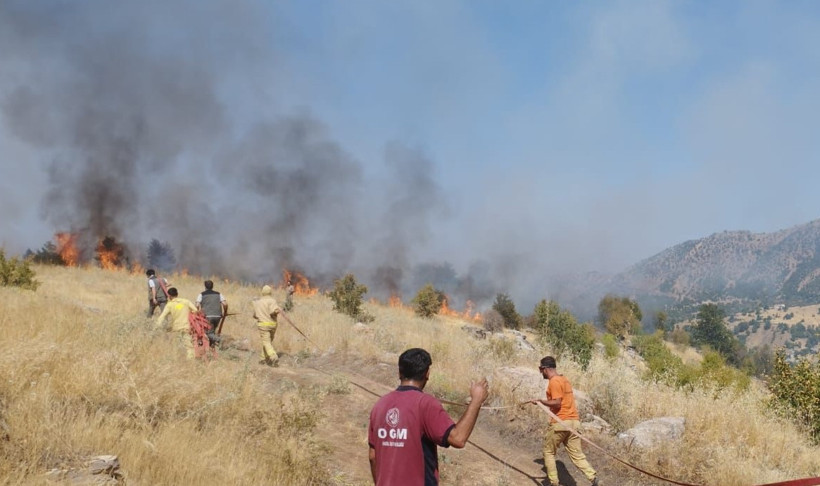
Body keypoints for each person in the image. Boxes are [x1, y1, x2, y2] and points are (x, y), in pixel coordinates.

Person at [368, 348, 489, 486]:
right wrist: (476, 401)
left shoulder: (380, 405)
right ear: (427, 373)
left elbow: (373, 456)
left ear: (399, 373)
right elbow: (458, 439)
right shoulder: (425, 404)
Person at [529, 356, 599, 486]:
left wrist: (541, 401)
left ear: (546, 368)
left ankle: (554, 482)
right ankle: (593, 477)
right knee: (577, 455)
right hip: (574, 422)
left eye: (540, 369)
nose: (540, 372)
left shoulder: (554, 381)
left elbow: (557, 403)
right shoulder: (564, 380)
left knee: (548, 452)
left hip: (560, 422)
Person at [155, 287, 198, 359]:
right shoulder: (186, 302)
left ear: (169, 296)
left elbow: (162, 317)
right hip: (186, 327)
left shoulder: (169, 305)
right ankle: (190, 361)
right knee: (189, 346)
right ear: (177, 294)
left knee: (176, 346)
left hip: (175, 329)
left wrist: (156, 326)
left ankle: (178, 360)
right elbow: (196, 310)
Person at [251, 284, 282, 366]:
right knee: (268, 342)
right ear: (270, 292)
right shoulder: (272, 301)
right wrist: (278, 310)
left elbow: (255, 315)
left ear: (262, 292)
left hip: (263, 325)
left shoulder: (258, 302)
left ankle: (273, 356)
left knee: (266, 342)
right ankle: (262, 359)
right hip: (272, 324)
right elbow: (273, 311)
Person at [196, 280, 227, 347]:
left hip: (207, 316)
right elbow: (225, 304)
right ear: (212, 286)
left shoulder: (201, 294)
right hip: (218, 316)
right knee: (212, 331)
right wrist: (225, 312)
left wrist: (197, 312)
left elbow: (197, 305)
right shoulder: (219, 294)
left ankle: (220, 340)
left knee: (208, 333)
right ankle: (212, 346)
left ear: (205, 286)